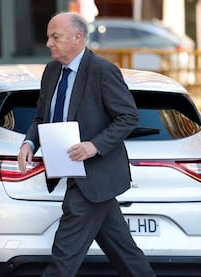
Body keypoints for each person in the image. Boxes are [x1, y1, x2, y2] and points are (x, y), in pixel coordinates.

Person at [18, 12, 156, 277]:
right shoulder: (51, 71)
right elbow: (41, 117)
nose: (48, 43)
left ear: (77, 37)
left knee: (63, 257)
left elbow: (128, 117)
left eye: (55, 37)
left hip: (94, 176)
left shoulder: (102, 71)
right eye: (48, 37)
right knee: (126, 255)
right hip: (75, 175)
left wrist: (94, 145)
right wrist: (29, 142)